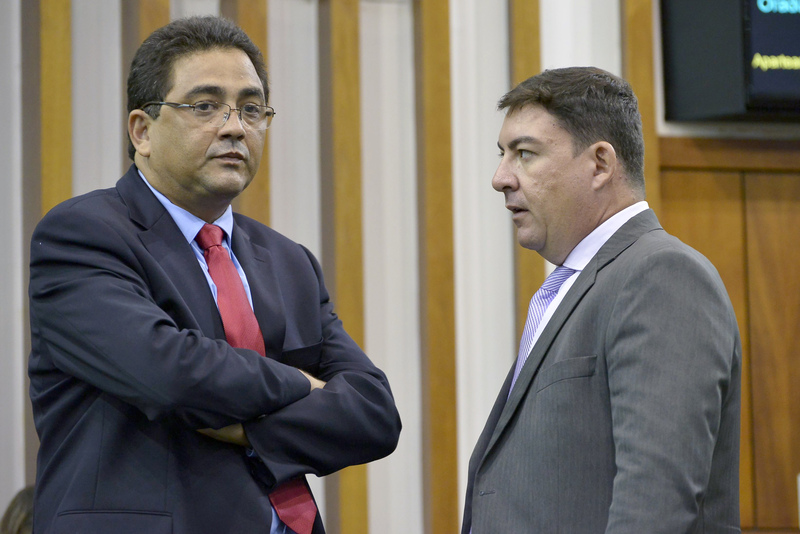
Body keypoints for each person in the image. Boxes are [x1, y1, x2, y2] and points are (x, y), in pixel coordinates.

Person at [28, 16, 401, 534]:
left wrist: (251, 431)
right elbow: (169, 372)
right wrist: (302, 384)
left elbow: (375, 415)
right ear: (142, 131)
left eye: (252, 109)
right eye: (205, 106)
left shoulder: (290, 262)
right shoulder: (83, 233)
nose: (234, 127)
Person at [462, 67, 741, 533]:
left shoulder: (663, 275)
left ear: (600, 164)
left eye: (524, 154)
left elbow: (654, 501)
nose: (500, 178)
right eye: (502, 155)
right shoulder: (581, 284)